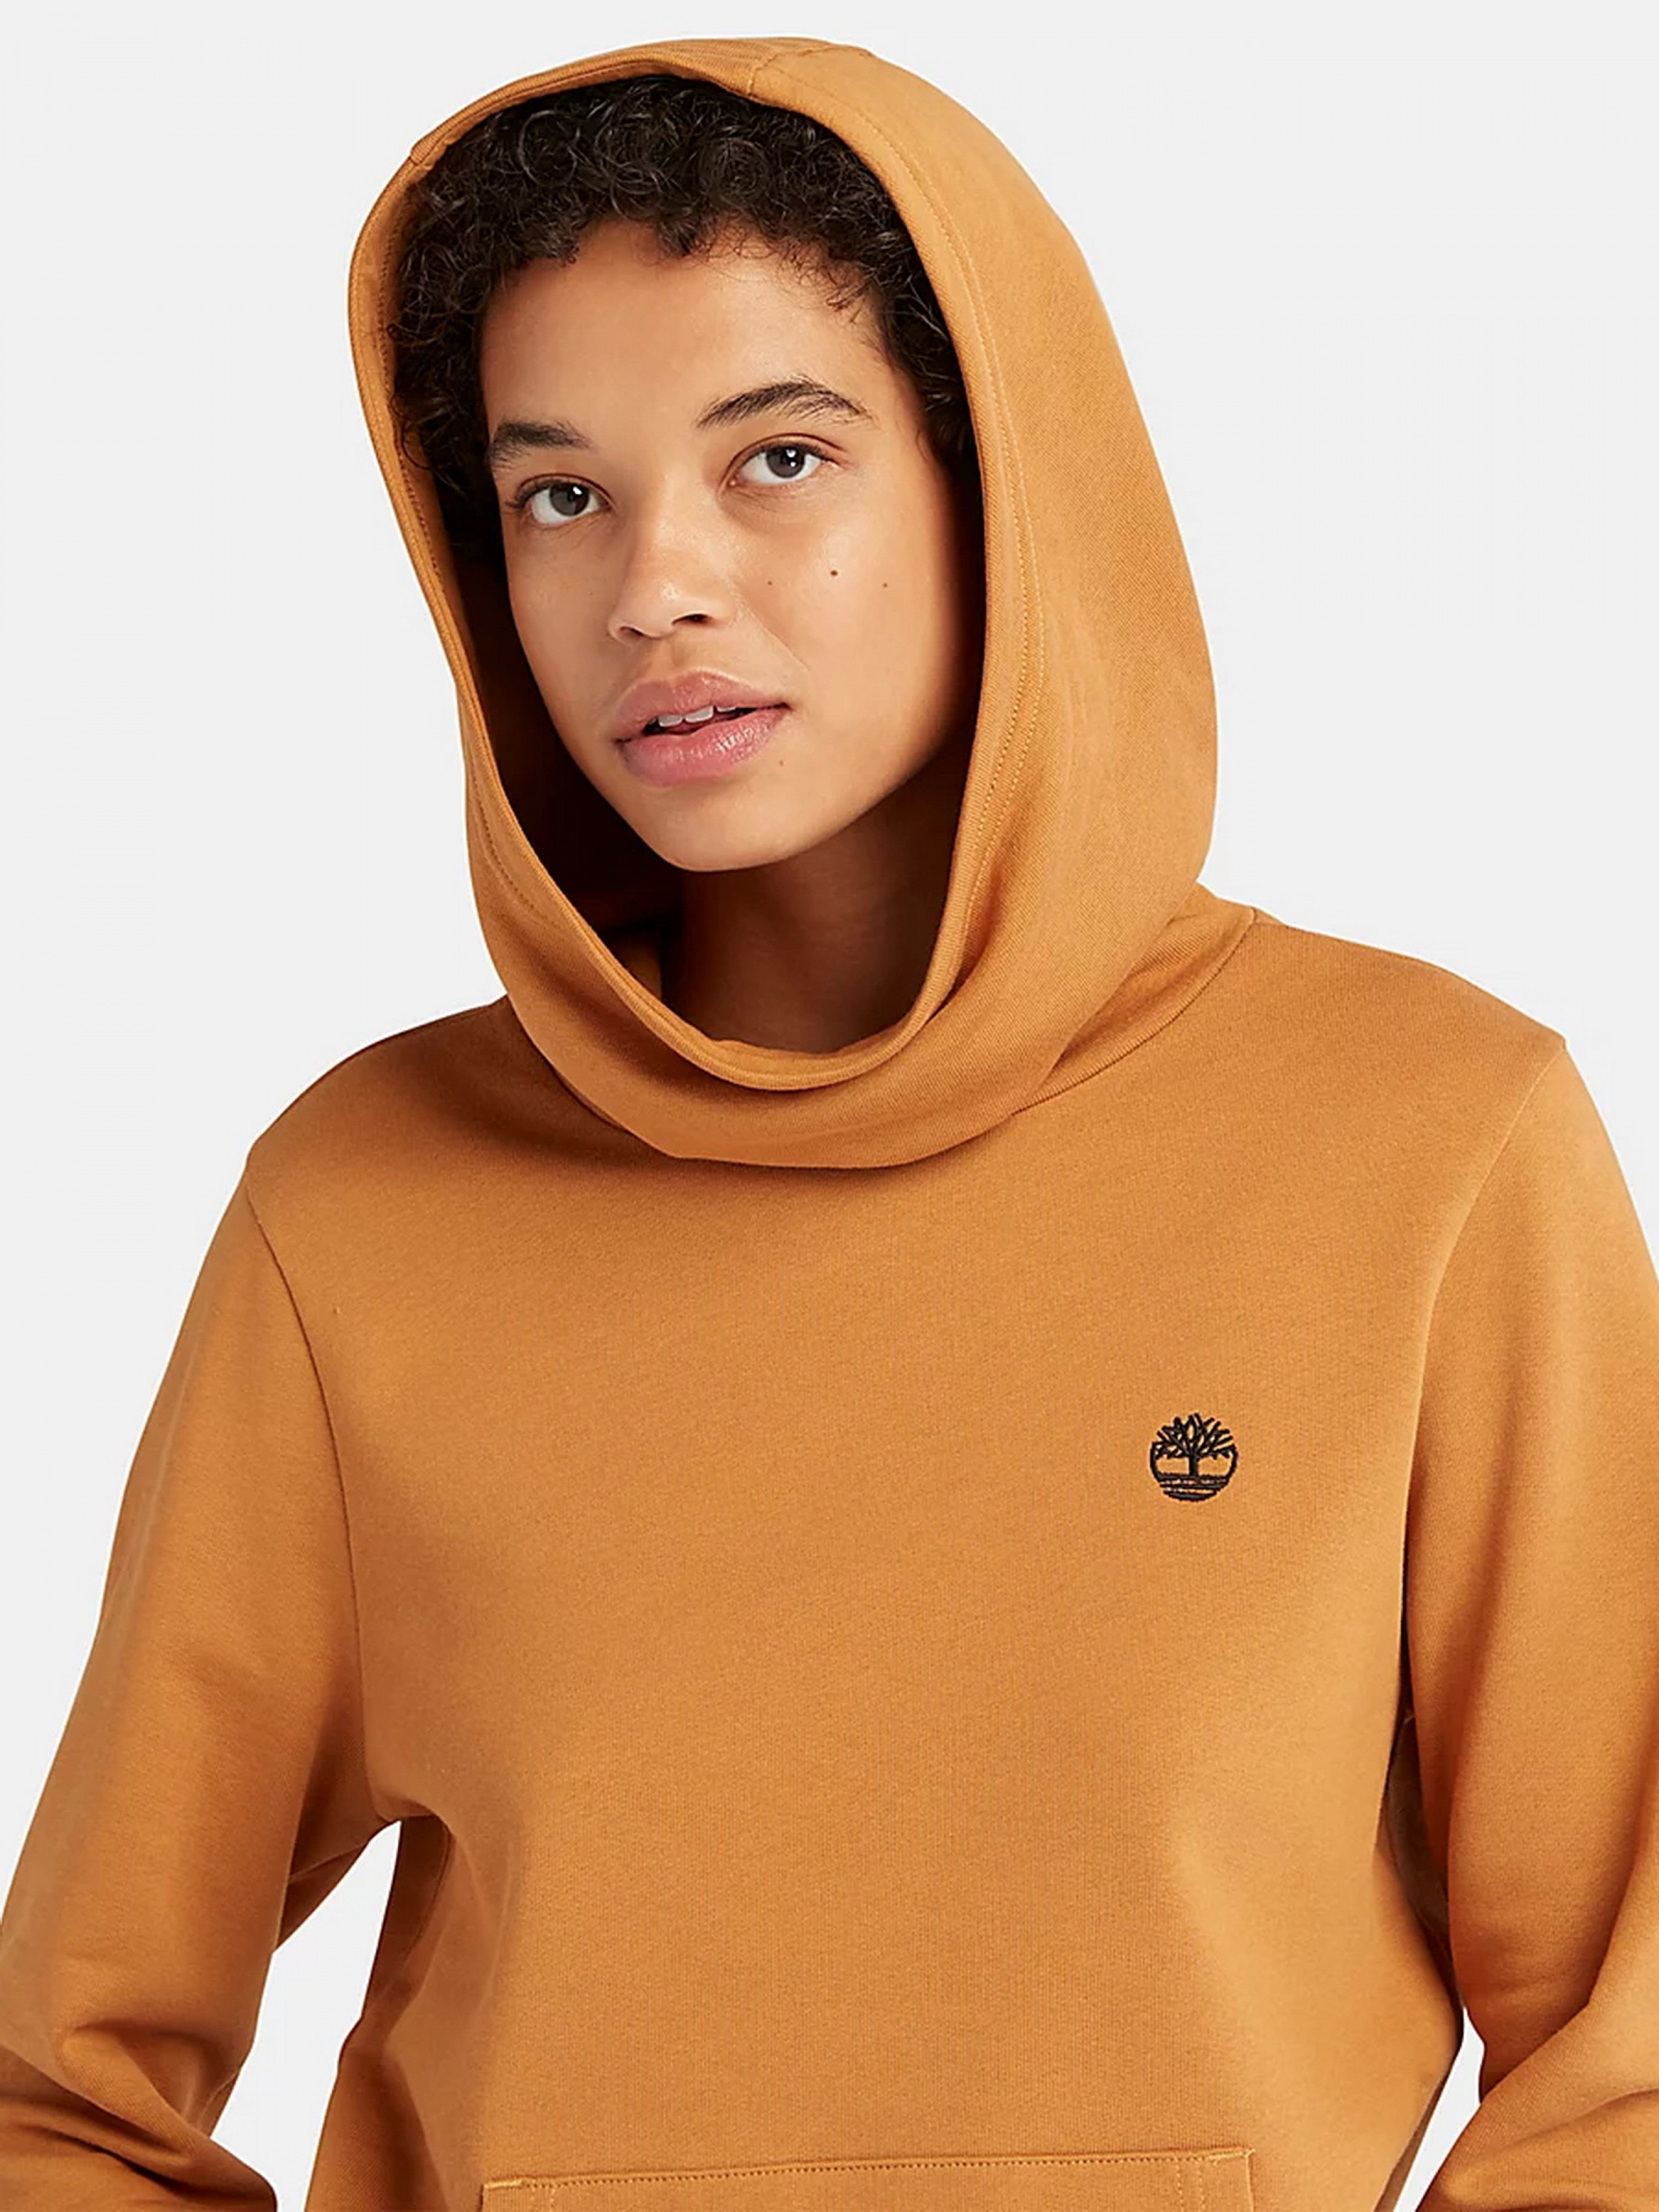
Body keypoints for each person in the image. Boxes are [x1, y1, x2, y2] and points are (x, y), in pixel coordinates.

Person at [0, 34, 1654, 2212]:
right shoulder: (363, 1207)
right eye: (558, 495)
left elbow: (1627, 2071)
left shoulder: (1428, 1143)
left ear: (1003, 489)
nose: (652, 584)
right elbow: (62, 2096)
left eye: (776, 457)